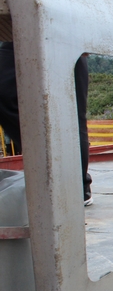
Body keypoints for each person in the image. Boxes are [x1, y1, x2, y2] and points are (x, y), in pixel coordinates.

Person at [0, 43, 92, 205]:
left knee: (72, 116)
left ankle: (77, 188)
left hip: (64, 38)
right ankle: (49, 170)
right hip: (19, 36)